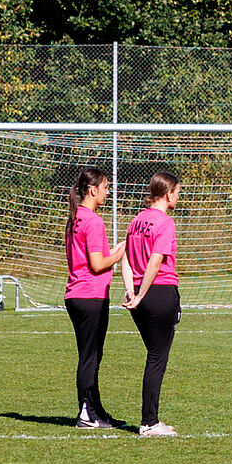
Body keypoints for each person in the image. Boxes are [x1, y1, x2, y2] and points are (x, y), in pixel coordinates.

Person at [63, 167, 127, 429]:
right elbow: (98, 264)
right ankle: (86, 414)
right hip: (89, 295)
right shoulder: (92, 220)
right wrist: (121, 252)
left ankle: (95, 409)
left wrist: (112, 252)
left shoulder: (74, 217)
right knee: (90, 357)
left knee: (92, 355)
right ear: (93, 190)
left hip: (78, 294)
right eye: (105, 187)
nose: (108, 192)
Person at [122, 169, 184, 437]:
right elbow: (156, 261)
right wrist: (142, 294)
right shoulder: (165, 222)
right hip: (157, 293)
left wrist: (131, 291)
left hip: (141, 294)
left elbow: (124, 258)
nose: (178, 198)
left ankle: (151, 419)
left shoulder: (136, 221)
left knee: (154, 356)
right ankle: (149, 422)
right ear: (168, 194)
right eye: (178, 193)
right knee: (157, 358)